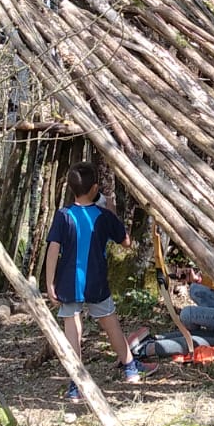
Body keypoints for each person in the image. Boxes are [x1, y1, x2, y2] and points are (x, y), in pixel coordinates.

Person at [43, 162, 153, 401]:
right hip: (97, 283)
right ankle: (130, 369)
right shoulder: (103, 217)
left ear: (72, 189)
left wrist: (49, 282)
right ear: (95, 188)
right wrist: (112, 213)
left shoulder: (63, 215)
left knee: (73, 331)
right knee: (111, 323)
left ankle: (76, 384)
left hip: (68, 284)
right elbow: (126, 242)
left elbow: (53, 249)